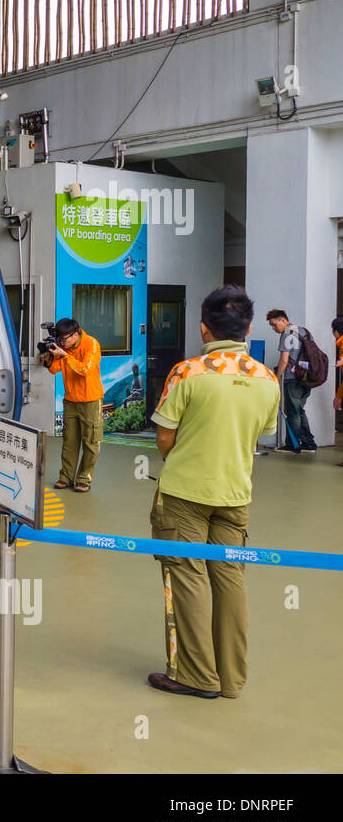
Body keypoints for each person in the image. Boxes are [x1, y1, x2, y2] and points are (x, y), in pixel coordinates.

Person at [146, 286, 280, 700]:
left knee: (186, 577)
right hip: (236, 494)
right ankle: (231, 678)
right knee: (230, 580)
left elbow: (164, 439)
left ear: (204, 328)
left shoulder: (187, 373)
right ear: (249, 328)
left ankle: (195, 675)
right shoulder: (268, 379)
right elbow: (262, 433)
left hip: (185, 493)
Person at [42, 317, 104, 492]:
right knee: (69, 441)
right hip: (70, 400)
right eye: (60, 339)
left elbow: (85, 370)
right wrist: (49, 355)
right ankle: (66, 477)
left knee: (91, 442)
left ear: (76, 333)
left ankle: (84, 478)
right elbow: (54, 369)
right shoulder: (64, 347)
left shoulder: (91, 344)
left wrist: (64, 355)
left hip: (91, 400)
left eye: (65, 339)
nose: (62, 342)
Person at [266, 309, 317, 453]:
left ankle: (293, 445)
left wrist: (277, 377)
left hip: (293, 378)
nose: (274, 328)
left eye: (274, 324)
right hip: (306, 377)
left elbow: (284, 359)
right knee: (299, 410)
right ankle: (309, 443)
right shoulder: (304, 332)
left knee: (293, 412)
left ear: (283, 320)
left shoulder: (287, 334)